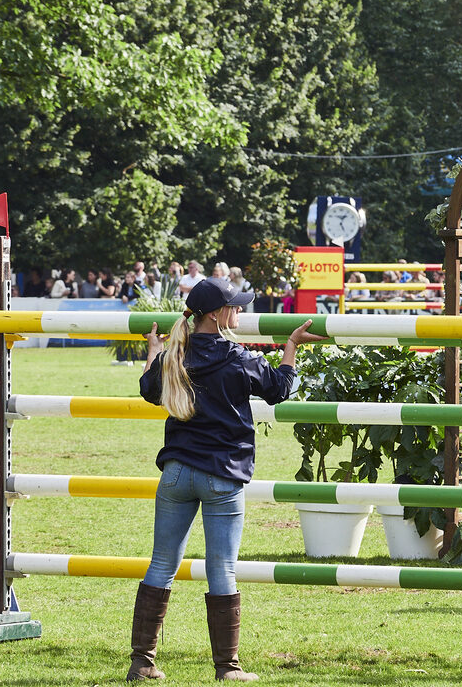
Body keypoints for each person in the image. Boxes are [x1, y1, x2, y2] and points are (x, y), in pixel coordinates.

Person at [128, 278, 325, 682]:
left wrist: (153, 353)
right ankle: (228, 668)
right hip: (222, 476)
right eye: (235, 307)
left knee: (162, 564)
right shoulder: (238, 357)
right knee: (222, 569)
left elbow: (149, 391)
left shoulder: (173, 356)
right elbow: (279, 390)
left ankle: (142, 662)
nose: (240, 312)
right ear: (218, 315)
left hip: (177, 472)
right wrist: (291, 347)